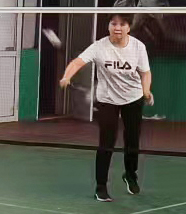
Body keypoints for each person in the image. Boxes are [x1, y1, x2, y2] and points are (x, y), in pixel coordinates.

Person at [59, 15, 154, 202]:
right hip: (107, 99)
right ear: (108, 26)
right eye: (113, 24)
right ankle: (101, 186)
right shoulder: (99, 46)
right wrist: (66, 76)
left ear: (128, 28)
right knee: (106, 142)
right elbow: (78, 62)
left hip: (133, 98)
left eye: (122, 24)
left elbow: (145, 72)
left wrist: (146, 90)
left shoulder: (138, 47)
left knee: (132, 140)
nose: (117, 27)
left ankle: (130, 174)